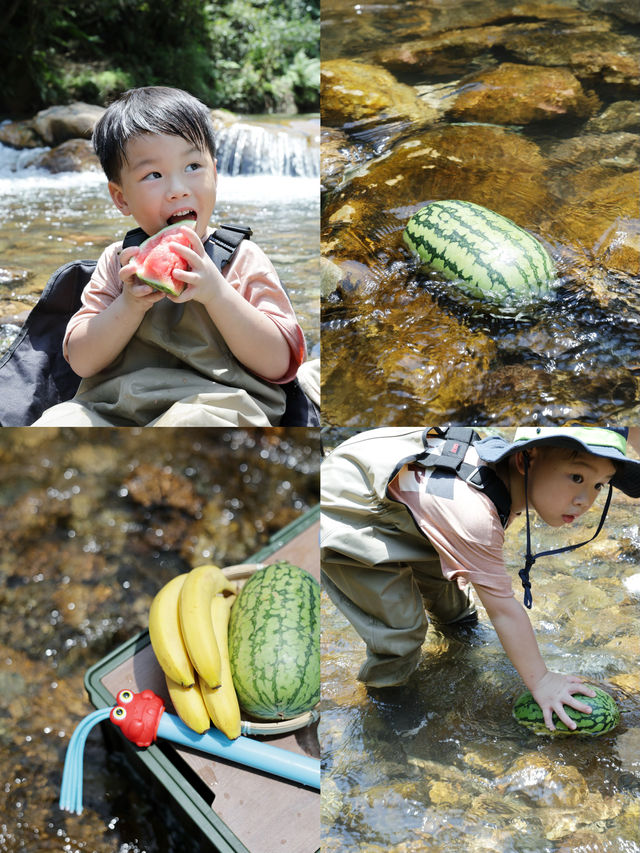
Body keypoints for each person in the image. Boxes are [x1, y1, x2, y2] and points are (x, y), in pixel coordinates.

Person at [321, 426, 640, 732]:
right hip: (350, 504)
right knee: (402, 629)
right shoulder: (476, 517)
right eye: (576, 477)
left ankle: (460, 629)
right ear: (525, 459)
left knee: (451, 596)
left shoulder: (503, 481)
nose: (586, 499)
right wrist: (541, 680)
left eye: (600, 485)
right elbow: (503, 609)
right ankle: (384, 697)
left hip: (401, 499)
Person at [32, 86, 306, 427]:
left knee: (193, 423)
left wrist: (217, 294)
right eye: (154, 175)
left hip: (220, 403)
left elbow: (281, 362)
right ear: (121, 198)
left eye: (193, 166)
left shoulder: (241, 258)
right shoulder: (118, 262)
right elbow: (82, 362)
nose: (178, 188)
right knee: (55, 423)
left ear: (215, 174)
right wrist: (129, 305)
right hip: (115, 406)